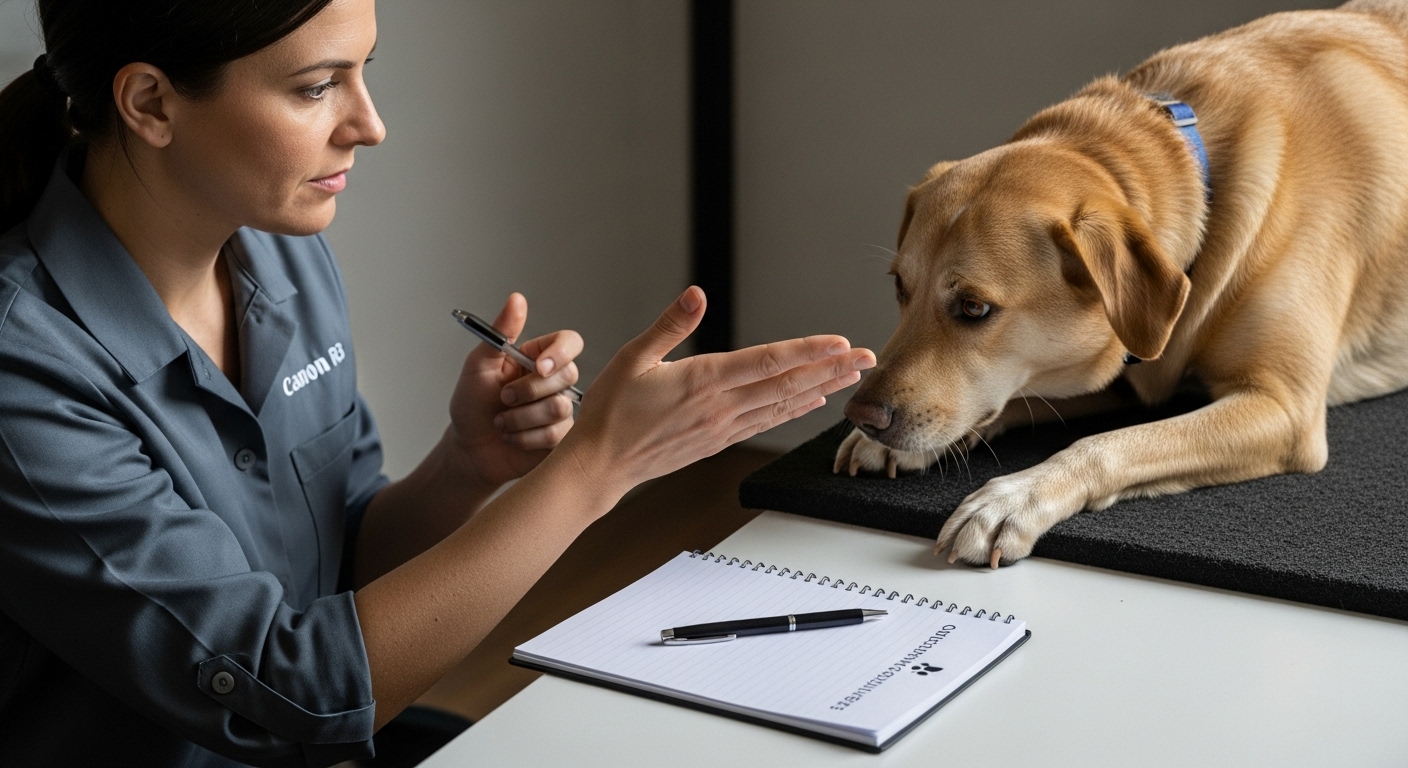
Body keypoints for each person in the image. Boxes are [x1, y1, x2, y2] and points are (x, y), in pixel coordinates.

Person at [0, 0, 875, 766]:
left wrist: (464, 467)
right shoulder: (24, 371)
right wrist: (597, 468)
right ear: (151, 101)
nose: (370, 125)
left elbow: (337, 566)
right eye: (316, 87)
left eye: (363, 73)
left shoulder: (281, 260)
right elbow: (291, 697)